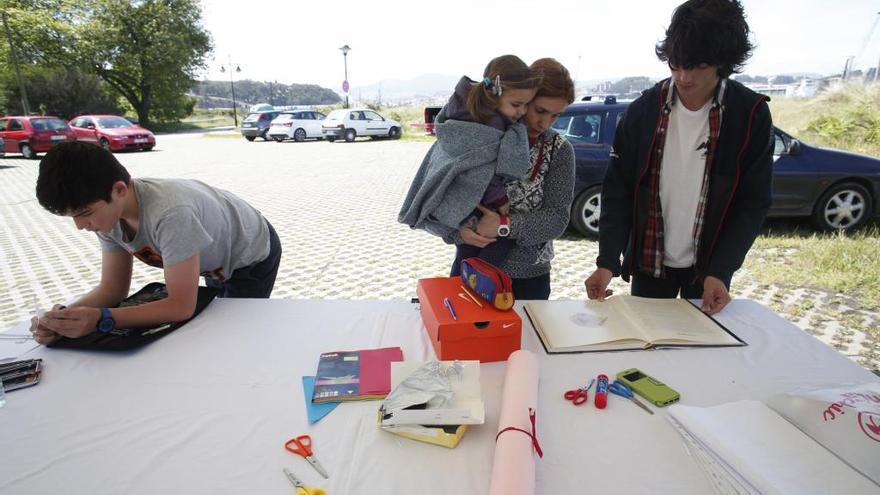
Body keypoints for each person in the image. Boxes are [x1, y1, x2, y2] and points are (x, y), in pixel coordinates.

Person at [584, 0, 773, 314]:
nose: (684, 77)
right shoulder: (643, 111)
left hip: (708, 267)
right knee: (648, 347)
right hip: (649, 260)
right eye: (675, 63)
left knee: (699, 355)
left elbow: (752, 202)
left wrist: (722, 270)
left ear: (723, 61)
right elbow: (618, 191)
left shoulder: (750, 114)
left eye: (698, 66)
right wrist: (607, 261)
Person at [30, 141, 282, 345]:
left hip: (251, 253)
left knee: (237, 335)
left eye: (84, 214)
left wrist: (101, 318)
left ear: (119, 190)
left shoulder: (170, 213)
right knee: (211, 325)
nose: (80, 226)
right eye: (72, 216)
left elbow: (181, 305)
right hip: (214, 258)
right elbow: (113, 290)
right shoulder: (106, 215)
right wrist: (62, 317)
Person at [451, 58, 576, 299]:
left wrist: (504, 225)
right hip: (470, 271)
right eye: (539, 110)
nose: (545, 123)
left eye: (556, 116)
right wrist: (457, 233)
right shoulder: (482, 135)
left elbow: (557, 218)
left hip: (528, 280)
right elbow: (444, 196)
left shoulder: (558, 149)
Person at [398, 54, 540, 268]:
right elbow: (483, 172)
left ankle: (468, 282)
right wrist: (501, 200)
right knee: (496, 245)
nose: (521, 112)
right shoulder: (490, 125)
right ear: (495, 94)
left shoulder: (464, 109)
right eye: (516, 104)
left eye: (526, 105)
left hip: (463, 206)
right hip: (478, 203)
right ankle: (479, 278)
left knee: (467, 253)